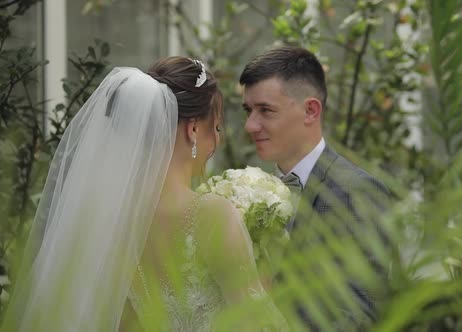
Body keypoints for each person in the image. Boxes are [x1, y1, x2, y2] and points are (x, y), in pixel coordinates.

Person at [1, 57, 285, 332]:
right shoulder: (212, 215)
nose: (219, 139)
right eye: (218, 126)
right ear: (194, 129)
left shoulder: (111, 221)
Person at [240, 46, 394, 331]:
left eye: (265, 110)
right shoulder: (245, 192)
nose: (250, 125)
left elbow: (364, 314)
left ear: (311, 110)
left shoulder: (357, 191)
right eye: (248, 110)